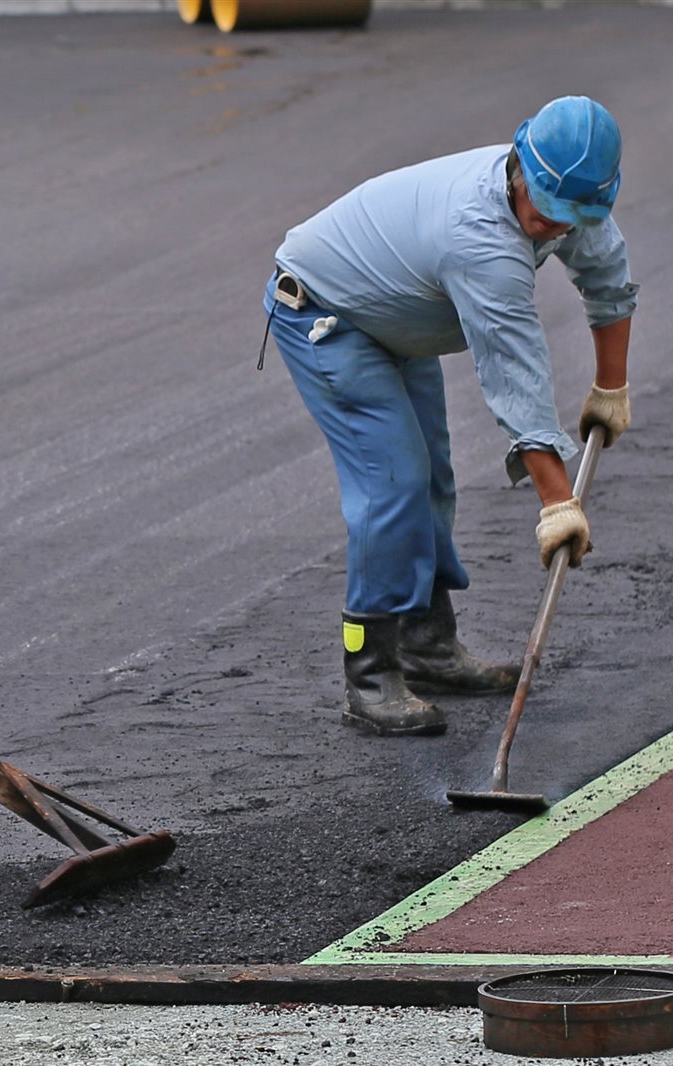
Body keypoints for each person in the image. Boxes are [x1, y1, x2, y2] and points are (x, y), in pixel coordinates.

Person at [266, 95, 639, 737]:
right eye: (547, 215)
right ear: (520, 169)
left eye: (571, 221)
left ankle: (427, 647)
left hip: (396, 319)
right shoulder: (481, 239)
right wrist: (556, 502)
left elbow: (609, 285)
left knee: (433, 482)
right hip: (326, 316)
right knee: (395, 485)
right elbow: (514, 375)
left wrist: (612, 386)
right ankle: (370, 670)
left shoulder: (574, 201)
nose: (554, 230)